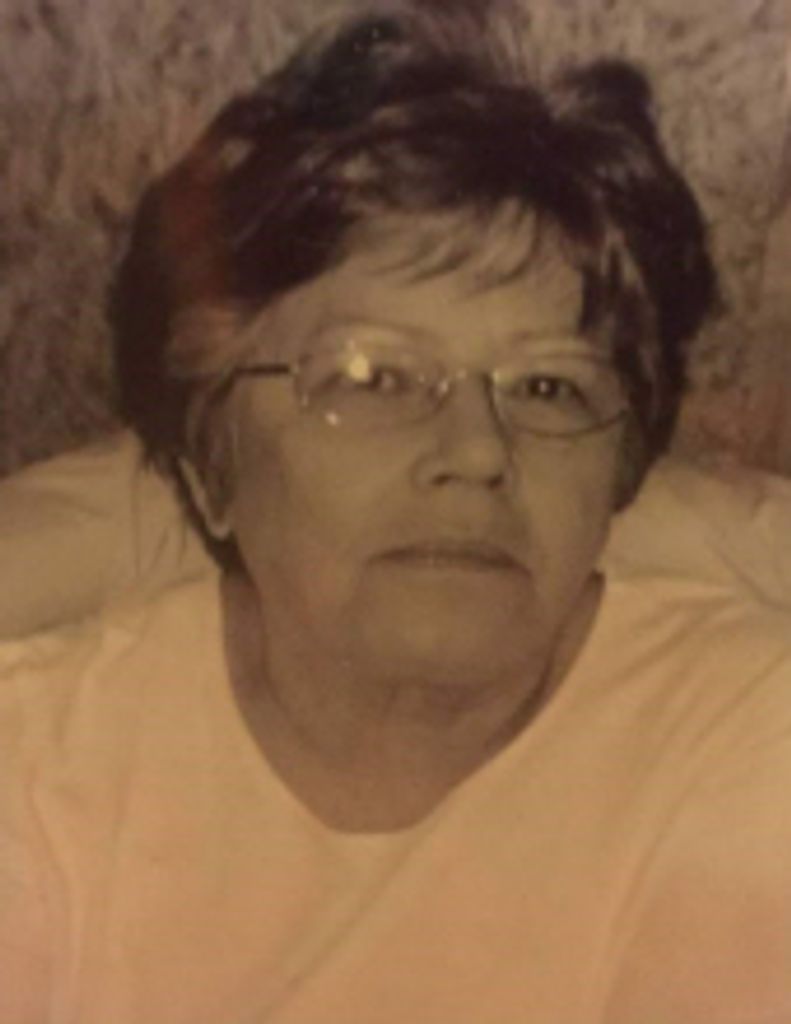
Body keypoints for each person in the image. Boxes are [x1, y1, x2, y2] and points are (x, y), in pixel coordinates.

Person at [2, 5, 790, 1021]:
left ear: (621, 473)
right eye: (371, 378)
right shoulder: (42, 759)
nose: (477, 453)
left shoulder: (748, 734)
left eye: (547, 388)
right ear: (209, 465)